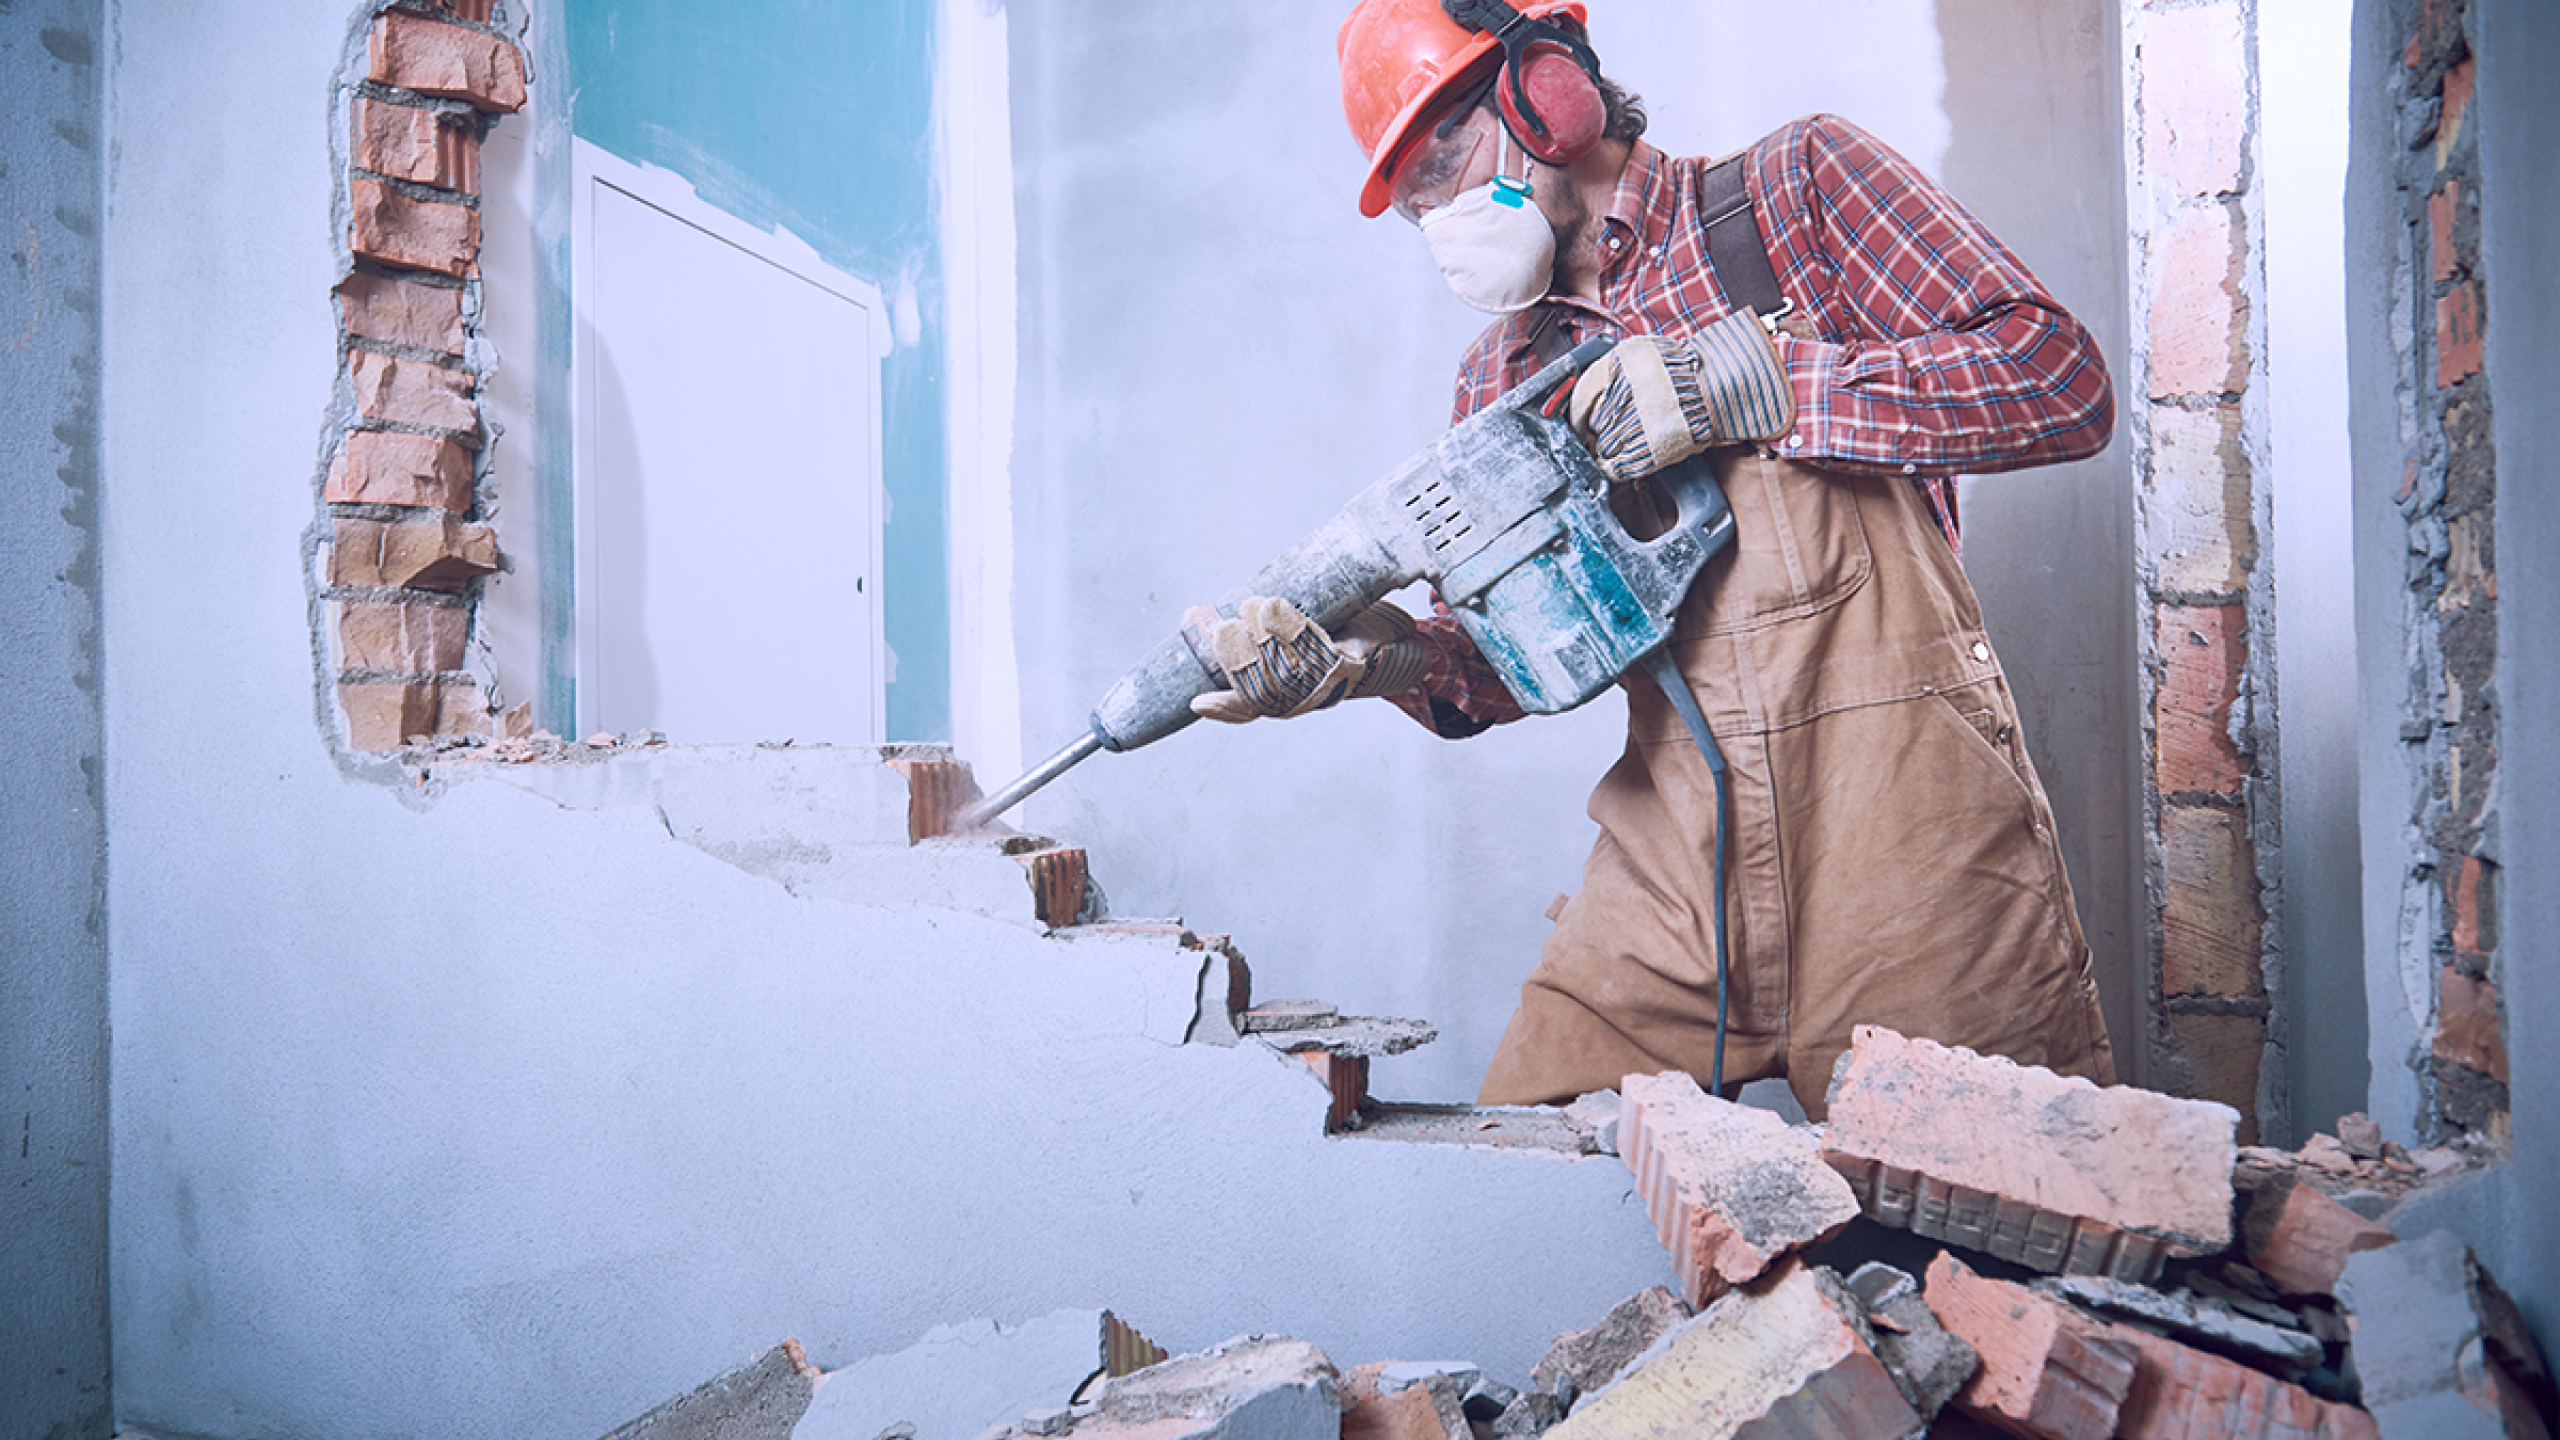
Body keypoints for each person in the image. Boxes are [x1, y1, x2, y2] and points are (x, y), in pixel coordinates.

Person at [1187, 0, 2116, 1118]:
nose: (1433, 213)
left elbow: (2058, 379)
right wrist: (1382, 661)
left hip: (1911, 858)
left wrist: (1761, 386)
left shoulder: (1792, 193)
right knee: (1516, 1183)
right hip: (1674, 868)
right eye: (1409, 196)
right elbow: (1517, 664)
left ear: (1549, 91)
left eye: (1442, 154)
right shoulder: (1500, 381)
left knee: (2005, 1225)